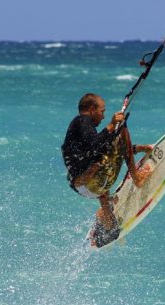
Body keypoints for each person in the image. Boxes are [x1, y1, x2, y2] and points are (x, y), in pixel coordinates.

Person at [62, 93, 153, 244]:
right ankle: (138, 178)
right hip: (92, 183)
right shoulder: (82, 121)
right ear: (91, 109)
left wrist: (137, 148)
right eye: (102, 111)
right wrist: (112, 125)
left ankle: (108, 219)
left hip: (84, 187)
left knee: (98, 162)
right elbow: (95, 145)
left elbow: (102, 149)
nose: (103, 116)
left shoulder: (79, 127)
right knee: (121, 129)